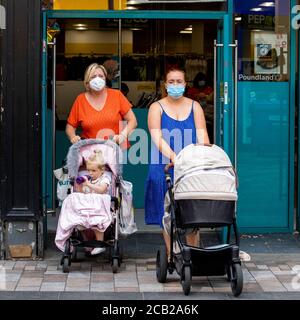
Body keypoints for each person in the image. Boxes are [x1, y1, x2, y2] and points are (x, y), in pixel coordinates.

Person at [144, 68, 210, 258]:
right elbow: (157, 136)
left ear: (185, 83)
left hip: (190, 168)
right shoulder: (156, 107)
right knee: (166, 214)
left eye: (178, 81)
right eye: (171, 82)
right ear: (165, 85)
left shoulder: (195, 106)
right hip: (163, 167)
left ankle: (193, 254)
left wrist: (201, 156)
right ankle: (172, 254)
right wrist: (175, 157)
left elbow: (202, 135)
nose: (175, 85)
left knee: (192, 212)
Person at [55, 149, 112, 256]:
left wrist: (89, 185)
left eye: (94, 171)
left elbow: (101, 190)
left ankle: (99, 244)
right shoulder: (88, 179)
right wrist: (80, 186)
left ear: (102, 170)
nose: (90, 173)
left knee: (97, 223)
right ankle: (87, 243)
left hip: (99, 209)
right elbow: (82, 195)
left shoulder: (105, 178)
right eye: (89, 170)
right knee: (80, 223)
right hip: (87, 208)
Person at [65, 63, 137, 148]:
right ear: (87, 81)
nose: (97, 79)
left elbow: (133, 121)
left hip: (113, 149)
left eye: (101, 76)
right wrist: (73, 137)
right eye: (93, 77)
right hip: (89, 152)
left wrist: (122, 136)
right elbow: (70, 127)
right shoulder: (80, 100)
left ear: (105, 79)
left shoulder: (116, 95)